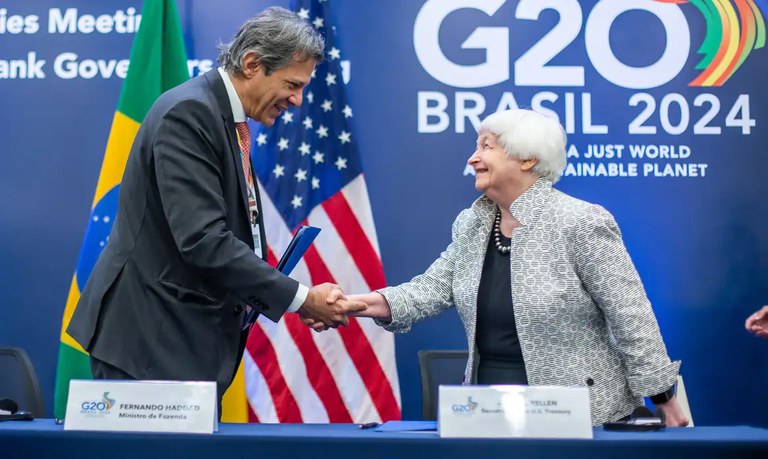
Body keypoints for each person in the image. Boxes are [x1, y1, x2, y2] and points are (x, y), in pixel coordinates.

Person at [310, 109, 689, 426]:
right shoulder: (473, 223)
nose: (472, 158)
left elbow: (631, 316)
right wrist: (358, 304)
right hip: (488, 411)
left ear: (528, 159)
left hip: (581, 417)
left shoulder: (581, 221)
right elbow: (430, 289)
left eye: (486, 147)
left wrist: (663, 396)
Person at [67, 7, 364, 404]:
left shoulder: (223, 117)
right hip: (151, 344)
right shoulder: (190, 114)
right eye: (293, 84)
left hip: (182, 342)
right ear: (253, 64)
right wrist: (301, 298)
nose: (298, 100)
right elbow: (204, 241)